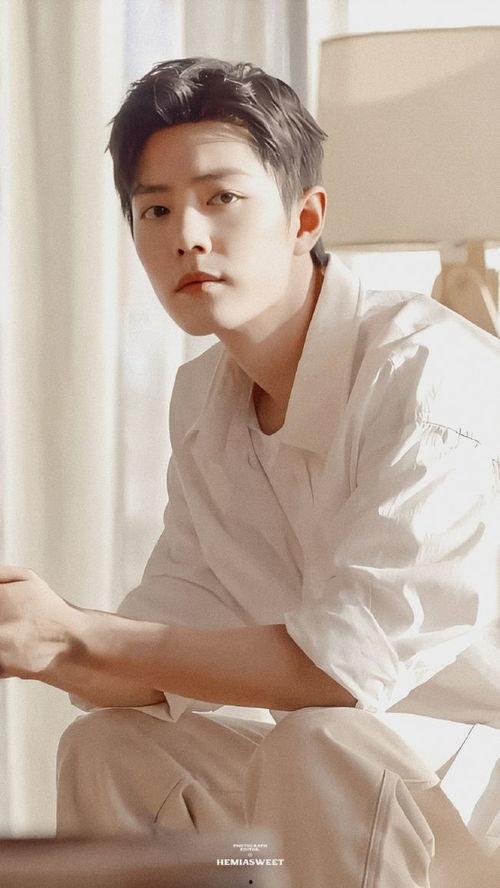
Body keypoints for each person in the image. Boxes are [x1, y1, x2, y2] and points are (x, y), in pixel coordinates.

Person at [1, 57, 499, 888]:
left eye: (221, 198)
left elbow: (338, 671)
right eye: (156, 209)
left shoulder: (428, 374)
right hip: (320, 810)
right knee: (108, 746)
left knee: (318, 737)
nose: (186, 236)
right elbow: (159, 648)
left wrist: (73, 633)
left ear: (305, 217)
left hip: (472, 803)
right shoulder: (206, 402)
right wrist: (36, 640)